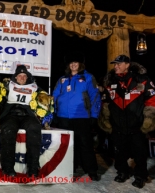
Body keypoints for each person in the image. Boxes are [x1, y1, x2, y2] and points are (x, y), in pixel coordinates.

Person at [98, 55, 155, 188]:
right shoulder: (110, 82)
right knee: (119, 151)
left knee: (140, 152)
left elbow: (151, 100)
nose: (116, 66)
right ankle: (122, 172)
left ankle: (141, 175)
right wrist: (106, 120)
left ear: (127, 65)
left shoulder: (142, 80)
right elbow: (105, 102)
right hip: (117, 125)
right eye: (115, 64)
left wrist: (148, 120)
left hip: (137, 125)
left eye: (119, 63)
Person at [52, 52, 101, 181]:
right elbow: (55, 96)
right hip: (63, 117)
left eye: (76, 62)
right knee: (67, 145)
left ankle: (91, 170)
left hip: (82, 116)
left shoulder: (88, 78)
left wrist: (94, 115)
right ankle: (69, 168)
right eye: (71, 63)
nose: (73, 65)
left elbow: (95, 96)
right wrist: (54, 112)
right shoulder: (62, 79)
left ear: (80, 64)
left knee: (85, 144)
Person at [0, 65, 43, 178]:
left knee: (34, 127)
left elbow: (44, 99)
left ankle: (33, 168)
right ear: (15, 77)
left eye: (24, 76)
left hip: (27, 116)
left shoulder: (34, 87)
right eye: (20, 75)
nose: (22, 78)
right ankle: (8, 168)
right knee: (8, 129)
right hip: (11, 115)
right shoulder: (7, 86)